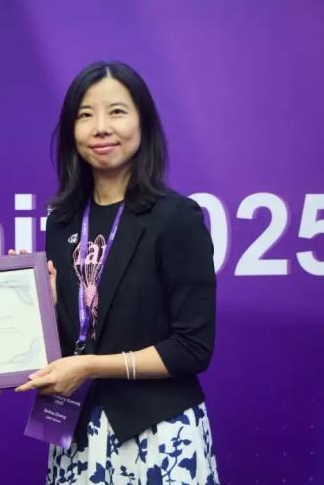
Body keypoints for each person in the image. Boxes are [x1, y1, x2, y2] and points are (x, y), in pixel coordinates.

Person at [16, 61, 220, 484]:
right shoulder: (62, 222)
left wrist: (90, 366)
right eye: (85, 115)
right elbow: (74, 341)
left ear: (143, 122)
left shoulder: (176, 218)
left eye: (117, 112)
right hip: (77, 436)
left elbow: (191, 349)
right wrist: (44, 308)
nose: (101, 128)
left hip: (158, 434)